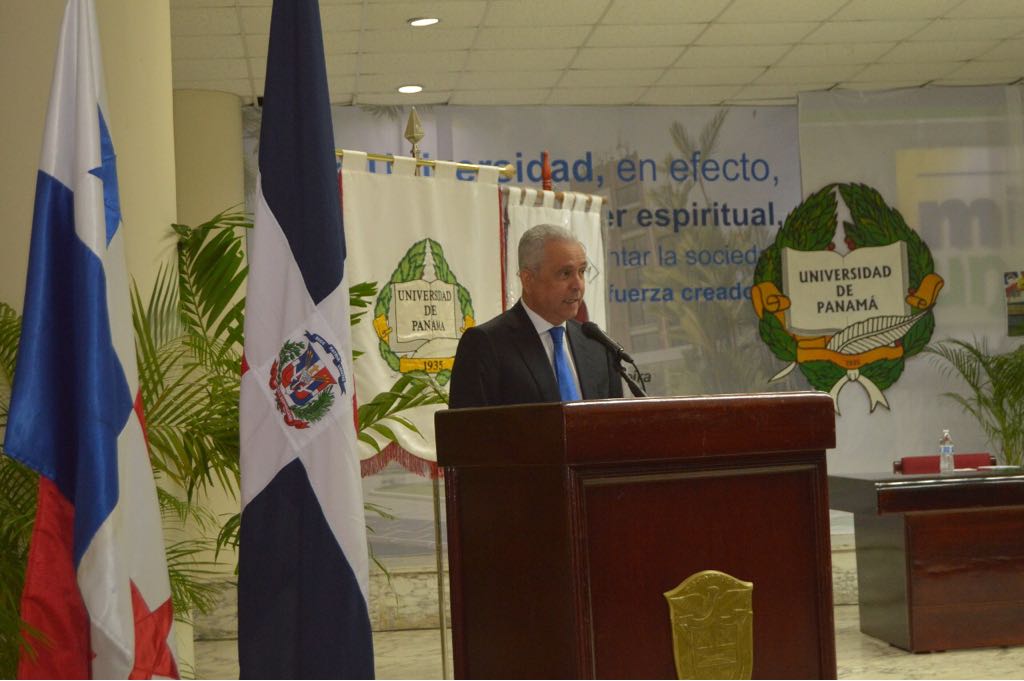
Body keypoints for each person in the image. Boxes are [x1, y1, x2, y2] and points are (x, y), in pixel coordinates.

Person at [448, 224, 624, 409]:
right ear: (528, 280)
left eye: (581, 272)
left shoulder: (597, 345)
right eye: (565, 273)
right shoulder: (485, 345)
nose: (577, 285)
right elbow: (467, 433)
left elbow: (616, 426)